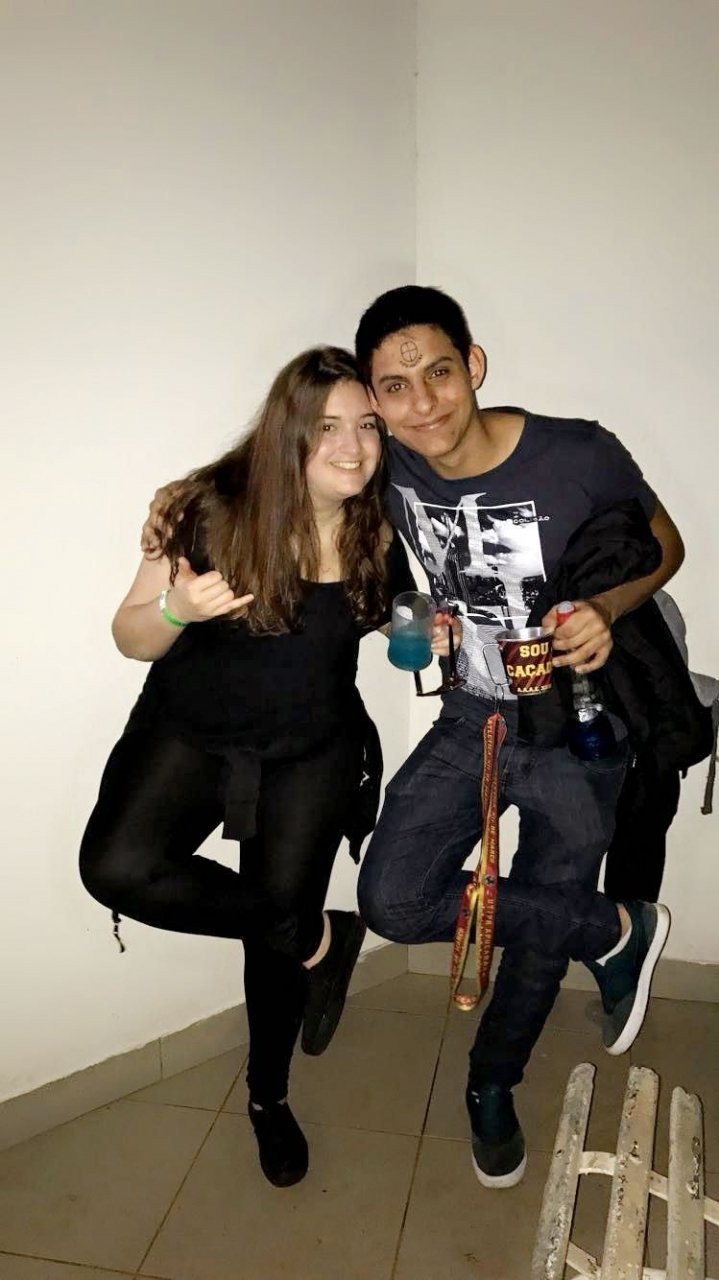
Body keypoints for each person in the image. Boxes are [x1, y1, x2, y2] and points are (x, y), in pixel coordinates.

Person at [350, 286, 707, 1190]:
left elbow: (663, 546)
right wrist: (412, 619)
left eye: (439, 372)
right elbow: (382, 573)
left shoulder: (575, 452)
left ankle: (492, 1081)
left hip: (575, 721)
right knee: (392, 899)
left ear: (472, 364)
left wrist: (605, 608)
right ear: (375, 398)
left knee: (542, 912)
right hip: (471, 713)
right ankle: (613, 929)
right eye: (395, 386)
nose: (423, 403)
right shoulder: (386, 468)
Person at [80, 345, 454, 1190]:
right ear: (288, 432)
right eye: (327, 428)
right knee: (117, 867)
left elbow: (383, 624)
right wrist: (177, 606)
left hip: (310, 748)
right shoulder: (204, 511)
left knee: (268, 939)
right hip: (189, 733)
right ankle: (322, 935)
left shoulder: (373, 527)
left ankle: (267, 1095)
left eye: (366, 426)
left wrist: (422, 635)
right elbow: (131, 636)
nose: (352, 447)